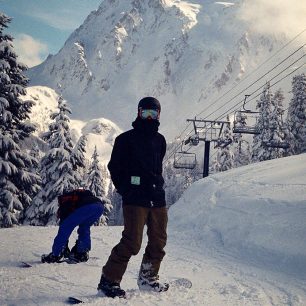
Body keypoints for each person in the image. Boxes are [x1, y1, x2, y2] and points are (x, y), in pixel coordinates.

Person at [97, 97, 168, 298]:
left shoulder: (160, 140)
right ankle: (108, 280)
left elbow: (157, 168)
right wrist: (126, 190)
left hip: (157, 198)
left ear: (158, 115)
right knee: (132, 242)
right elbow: (114, 168)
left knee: (158, 240)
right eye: (144, 113)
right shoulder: (125, 139)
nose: (148, 117)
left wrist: (158, 187)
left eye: (152, 114)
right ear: (138, 113)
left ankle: (148, 278)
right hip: (136, 199)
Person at [41, 188, 104, 263]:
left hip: (86, 206)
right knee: (84, 228)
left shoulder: (64, 200)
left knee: (65, 228)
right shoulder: (75, 196)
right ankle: (82, 253)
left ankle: (57, 254)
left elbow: (65, 223)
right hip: (99, 206)